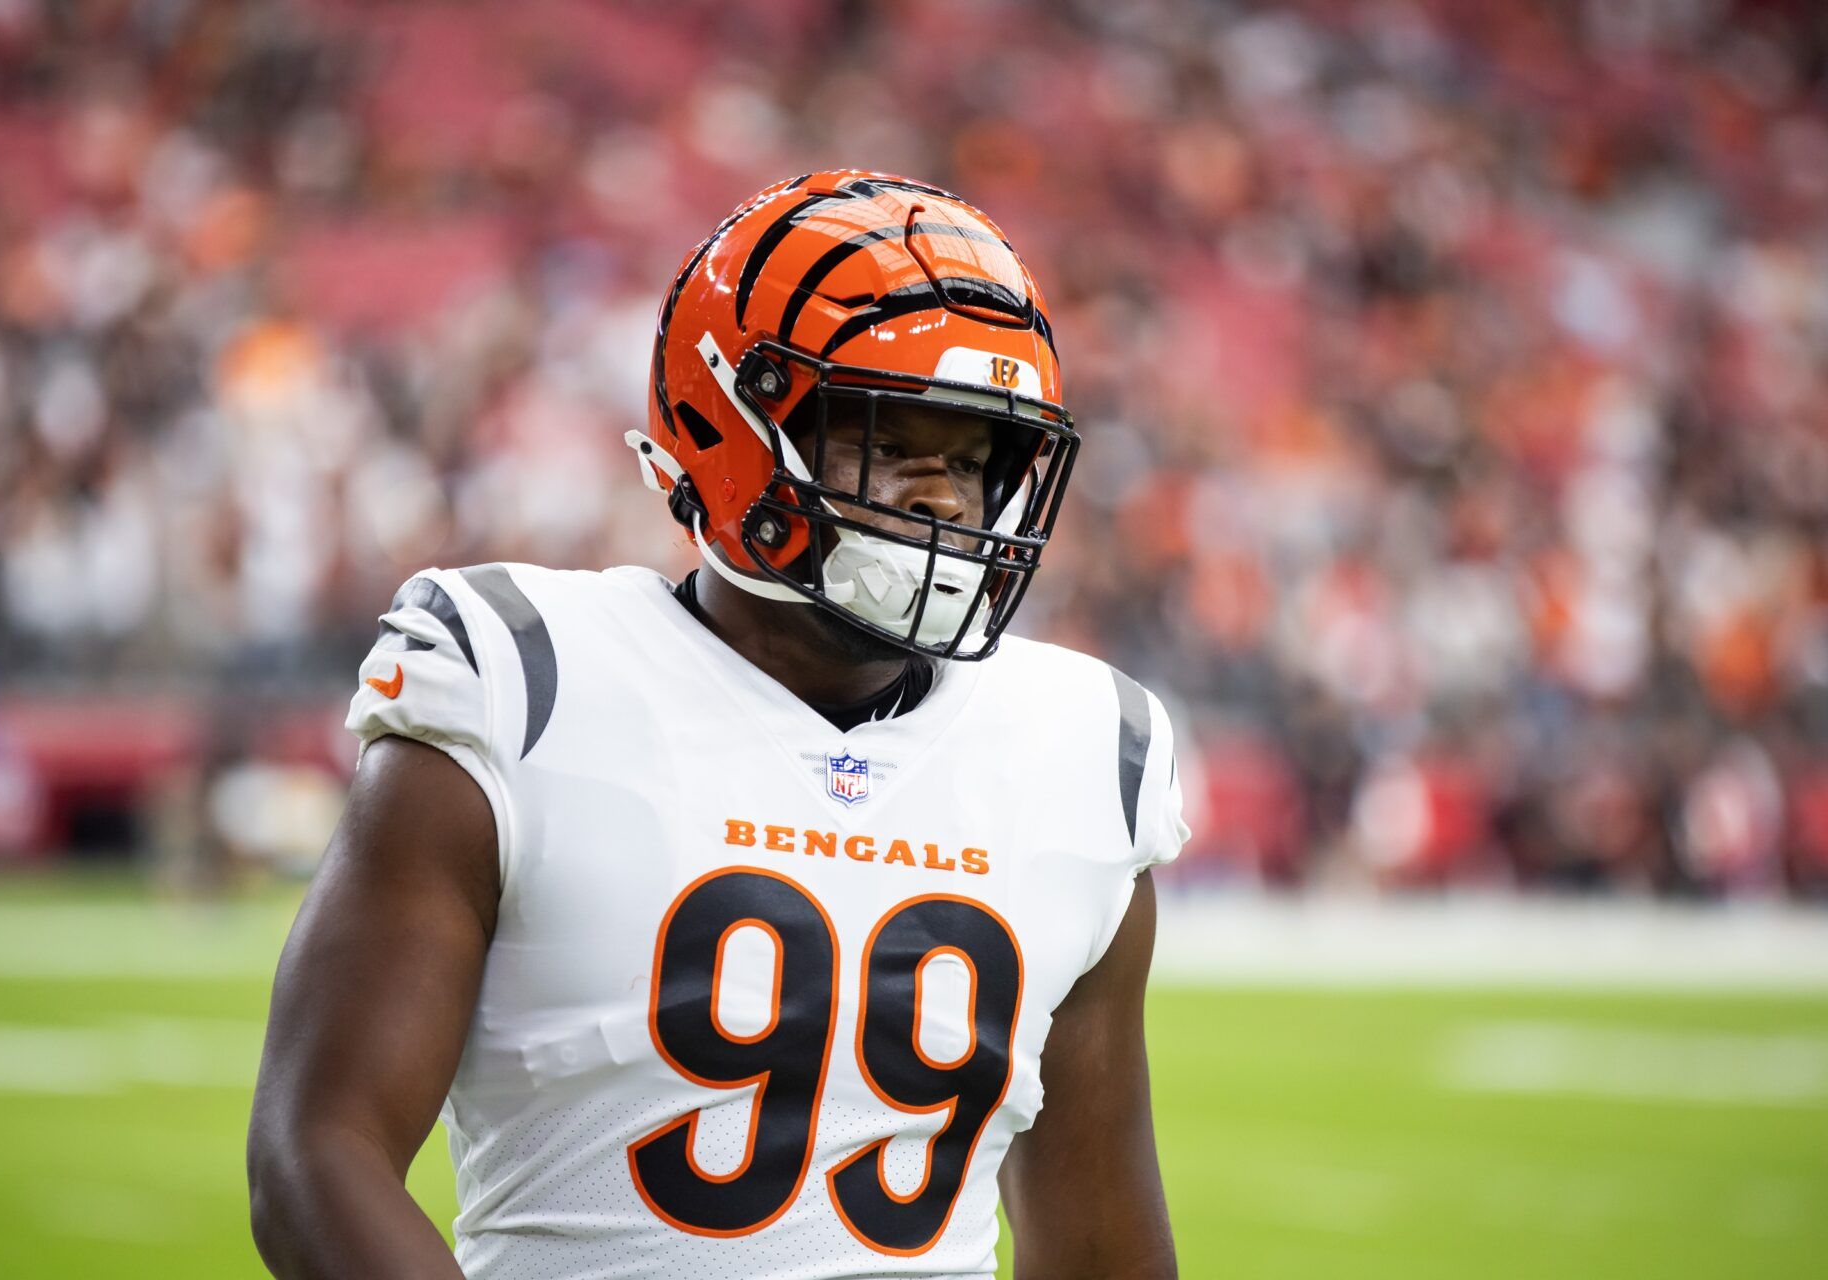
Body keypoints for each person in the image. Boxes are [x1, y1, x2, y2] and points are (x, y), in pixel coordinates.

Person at [248, 170, 1188, 1279]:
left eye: (978, 457)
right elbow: (319, 1149)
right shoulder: (525, 682)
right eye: (892, 443)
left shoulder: (1080, 747)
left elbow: (1102, 1248)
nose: (946, 500)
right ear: (730, 427)